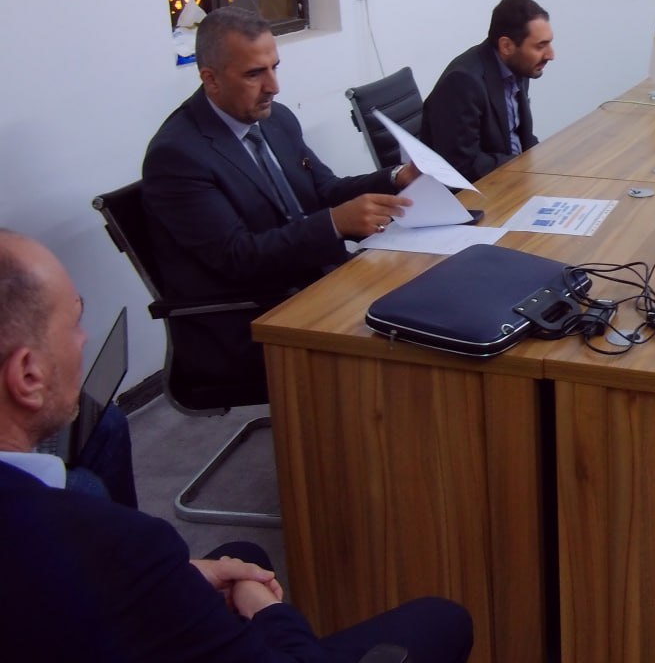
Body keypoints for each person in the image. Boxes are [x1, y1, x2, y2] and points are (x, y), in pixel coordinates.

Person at [0, 229, 474, 662]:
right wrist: (269, 612)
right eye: (75, 322)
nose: (84, 339)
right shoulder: (116, 546)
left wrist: (183, 575)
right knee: (441, 618)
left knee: (244, 555)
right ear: (28, 375)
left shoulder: (92, 546)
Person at [143, 5, 421, 406]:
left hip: (310, 283)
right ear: (210, 79)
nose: (273, 86)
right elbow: (238, 257)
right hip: (248, 318)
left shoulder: (276, 120)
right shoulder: (178, 156)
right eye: (254, 74)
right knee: (405, 347)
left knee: (425, 300)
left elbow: (324, 189)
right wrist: (333, 224)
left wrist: (394, 178)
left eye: (275, 67)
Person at [421, 0, 554, 183]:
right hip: (479, 189)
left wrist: (544, 164)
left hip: (514, 177)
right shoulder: (463, 82)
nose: (550, 55)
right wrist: (522, 167)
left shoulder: (520, 66)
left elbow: (522, 136)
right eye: (540, 46)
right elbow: (463, 165)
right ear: (506, 46)